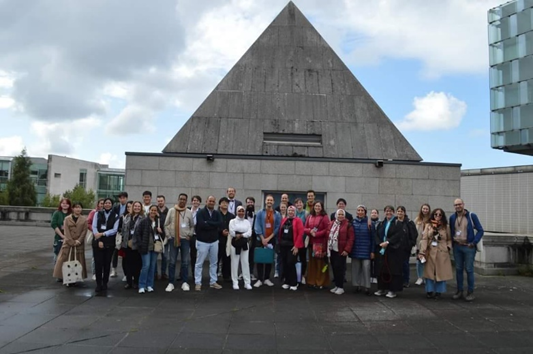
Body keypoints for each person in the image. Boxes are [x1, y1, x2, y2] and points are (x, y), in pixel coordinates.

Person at [374, 206, 416, 299]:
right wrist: (380, 243)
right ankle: (381, 288)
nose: (388, 213)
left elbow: (398, 235)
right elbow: (377, 234)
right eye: (386, 211)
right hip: (382, 250)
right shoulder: (381, 223)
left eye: (390, 211)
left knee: (393, 270)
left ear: (393, 212)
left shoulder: (397, 223)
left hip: (393, 250)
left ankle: (392, 290)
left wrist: (388, 242)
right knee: (381, 269)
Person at [449, 198, 484, 302]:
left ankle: (470, 291)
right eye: (455, 205)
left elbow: (480, 230)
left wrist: (474, 242)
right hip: (457, 246)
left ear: (463, 204)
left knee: (469, 269)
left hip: (468, 247)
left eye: (459, 204)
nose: (457, 206)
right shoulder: (452, 217)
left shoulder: (471, 216)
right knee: (458, 269)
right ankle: (459, 290)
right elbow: (451, 231)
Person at [419, 208, 453, 299]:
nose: (437, 216)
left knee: (441, 272)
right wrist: (422, 251)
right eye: (435, 214)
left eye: (440, 215)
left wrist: (448, 247)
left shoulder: (446, 226)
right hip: (430, 250)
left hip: (442, 251)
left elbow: (449, 239)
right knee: (429, 272)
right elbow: (424, 239)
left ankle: (439, 291)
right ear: (432, 215)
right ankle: (429, 290)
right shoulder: (428, 225)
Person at [164, 193, 194, 292]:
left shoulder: (189, 212)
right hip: (173, 239)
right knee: (172, 262)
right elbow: (166, 224)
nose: (182, 201)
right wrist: (168, 236)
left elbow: (192, 226)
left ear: (186, 201)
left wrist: (189, 235)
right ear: (178, 200)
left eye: (184, 199)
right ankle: (171, 283)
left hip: (185, 240)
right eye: (180, 199)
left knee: (185, 262)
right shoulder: (172, 211)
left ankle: (185, 282)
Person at [52, 202, 87, 285]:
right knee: (64, 259)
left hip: (79, 243)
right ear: (73, 209)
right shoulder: (67, 219)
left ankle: (76, 277)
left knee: (78, 260)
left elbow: (84, 231)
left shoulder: (84, 219)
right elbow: (66, 231)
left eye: (79, 207)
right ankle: (62, 276)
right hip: (68, 243)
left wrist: (79, 240)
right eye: (76, 207)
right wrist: (71, 241)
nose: (78, 209)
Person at [195, 195, 223, 291]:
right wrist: (213, 225)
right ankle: (198, 282)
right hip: (202, 241)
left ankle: (213, 282)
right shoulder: (200, 212)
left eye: (213, 201)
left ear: (215, 203)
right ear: (206, 201)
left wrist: (209, 223)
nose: (211, 202)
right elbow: (202, 224)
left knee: (214, 263)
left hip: (214, 241)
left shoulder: (217, 213)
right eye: (209, 201)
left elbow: (220, 223)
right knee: (199, 263)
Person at [92, 198, 120, 292]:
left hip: (109, 242)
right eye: (105, 203)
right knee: (98, 263)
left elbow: (114, 230)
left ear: (112, 204)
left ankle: (105, 283)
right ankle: (98, 283)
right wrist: (98, 237)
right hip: (97, 242)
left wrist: (103, 234)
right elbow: (94, 227)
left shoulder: (116, 216)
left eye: (109, 203)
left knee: (107, 264)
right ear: (103, 205)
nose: (107, 204)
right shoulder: (97, 214)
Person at [253, 194, 281, 287]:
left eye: (271, 200)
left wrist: (268, 239)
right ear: (265, 201)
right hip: (260, 239)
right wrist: (262, 239)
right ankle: (260, 279)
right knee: (260, 259)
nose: (269, 202)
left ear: (273, 202)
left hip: (271, 239)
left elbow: (277, 227)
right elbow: (257, 226)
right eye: (268, 200)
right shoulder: (260, 212)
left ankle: (266, 278)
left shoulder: (277, 214)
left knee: (269, 259)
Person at [136, 205, 163, 293]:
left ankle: (149, 285)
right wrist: (140, 244)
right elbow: (138, 233)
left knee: (152, 267)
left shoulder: (158, 221)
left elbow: (163, 235)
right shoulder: (144, 221)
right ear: (149, 211)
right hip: (146, 247)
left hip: (155, 247)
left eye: (155, 210)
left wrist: (160, 231)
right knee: (146, 266)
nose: (153, 212)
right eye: (152, 210)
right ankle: (142, 285)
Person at [304, 201, 330, 289]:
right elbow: (305, 228)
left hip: (320, 244)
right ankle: (312, 281)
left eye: (319, 206)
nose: (317, 208)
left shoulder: (325, 217)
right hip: (311, 243)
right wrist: (310, 231)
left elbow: (327, 229)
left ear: (322, 207)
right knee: (312, 263)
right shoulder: (310, 216)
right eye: (316, 206)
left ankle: (321, 282)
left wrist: (317, 234)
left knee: (320, 264)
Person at [328, 209, 354, 295]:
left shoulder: (348, 225)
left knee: (340, 269)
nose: (340, 216)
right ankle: (337, 285)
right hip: (332, 249)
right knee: (334, 268)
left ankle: (341, 287)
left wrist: (347, 250)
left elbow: (351, 238)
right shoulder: (332, 223)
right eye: (339, 214)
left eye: (342, 214)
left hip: (341, 250)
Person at [350, 205, 374, 295]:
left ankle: (367, 287)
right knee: (356, 269)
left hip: (366, 250)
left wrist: (372, 251)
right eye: (358, 210)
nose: (360, 212)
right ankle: (357, 285)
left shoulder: (370, 223)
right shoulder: (353, 222)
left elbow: (373, 238)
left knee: (366, 268)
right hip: (355, 249)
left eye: (362, 210)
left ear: (365, 212)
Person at [228, 205, 253, 290]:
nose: (241, 213)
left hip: (244, 244)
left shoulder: (247, 221)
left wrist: (241, 235)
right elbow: (232, 232)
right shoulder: (232, 221)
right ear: (236, 212)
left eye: (242, 211)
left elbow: (249, 232)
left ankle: (247, 282)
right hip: (235, 244)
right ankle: (235, 282)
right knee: (234, 263)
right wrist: (237, 234)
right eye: (239, 211)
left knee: (245, 263)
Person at [121, 201, 144, 289]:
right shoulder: (127, 217)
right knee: (128, 264)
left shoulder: (143, 218)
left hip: (137, 244)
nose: (137, 208)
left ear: (141, 208)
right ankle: (129, 281)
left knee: (137, 264)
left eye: (138, 206)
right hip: (127, 243)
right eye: (135, 206)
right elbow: (123, 229)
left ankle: (136, 281)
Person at [111, 192, 129, 279]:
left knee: (125, 252)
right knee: (115, 251)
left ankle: (126, 273)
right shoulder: (115, 207)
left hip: (126, 232)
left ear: (126, 198)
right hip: (117, 232)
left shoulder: (129, 207)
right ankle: (114, 269)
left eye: (124, 198)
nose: (122, 199)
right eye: (121, 198)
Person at [51, 198, 72, 266]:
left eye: (66, 203)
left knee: (68, 257)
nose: (65, 205)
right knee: (58, 255)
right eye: (63, 203)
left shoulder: (71, 214)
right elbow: (53, 224)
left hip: (70, 238)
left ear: (69, 205)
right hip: (59, 238)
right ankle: (57, 272)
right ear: (60, 204)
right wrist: (62, 235)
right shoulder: (57, 213)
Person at [217, 197, 235, 281]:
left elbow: (234, 226)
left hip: (228, 239)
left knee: (227, 257)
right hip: (218, 239)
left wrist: (229, 232)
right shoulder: (216, 214)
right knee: (216, 258)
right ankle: (215, 276)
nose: (225, 204)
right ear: (219, 204)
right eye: (223, 202)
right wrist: (221, 231)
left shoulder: (231, 216)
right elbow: (214, 225)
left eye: (226, 203)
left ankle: (226, 276)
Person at [414, 204, 431, 286]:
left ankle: (427, 277)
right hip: (419, 243)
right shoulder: (417, 219)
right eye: (423, 208)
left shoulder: (431, 219)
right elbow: (414, 231)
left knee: (428, 261)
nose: (425, 210)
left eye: (426, 209)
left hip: (429, 244)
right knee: (419, 261)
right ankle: (420, 277)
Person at [87, 198, 104, 280]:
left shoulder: (108, 213)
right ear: (98, 204)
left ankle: (102, 273)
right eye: (101, 203)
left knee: (104, 257)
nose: (103, 205)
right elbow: (88, 223)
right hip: (95, 236)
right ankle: (94, 273)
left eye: (104, 203)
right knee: (95, 256)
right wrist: (95, 231)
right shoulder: (94, 212)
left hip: (105, 236)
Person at [294, 198, 309, 284]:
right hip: (294, 240)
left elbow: (307, 225)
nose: (299, 204)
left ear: (303, 204)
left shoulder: (306, 213)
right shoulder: (294, 212)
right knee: (294, 258)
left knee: (303, 258)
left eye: (300, 202)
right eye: (297, 203)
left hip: (303, 239)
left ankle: (303, 275)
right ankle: (296, 275)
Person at [155, 195, 169, 281]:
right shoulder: (154, 210)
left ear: (164, 201)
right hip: (157, 237)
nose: (160, 202)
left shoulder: (168, 211)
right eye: (158, 201)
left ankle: (163, 273)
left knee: (165, 257)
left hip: (165, 237)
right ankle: (155, 273)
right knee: (155, 257)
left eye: (161, 201)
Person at [245, 197, 258, 281]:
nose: (250, 204)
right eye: (248, 202)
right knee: (243, 256)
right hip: (244, 237)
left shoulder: (256, 215)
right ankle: (243, 273)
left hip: (253, 238)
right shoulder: (242, 214)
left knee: (251, 256)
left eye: (251, 202)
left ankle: (251, 273)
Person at [189, 195, 202, 278]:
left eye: (197, 200)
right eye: (194, 200)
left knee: (195, 255)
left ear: (199, 203)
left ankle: (195, 273)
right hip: (187, 235)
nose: (195, 202)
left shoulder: (201, 212)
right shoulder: (187, 210)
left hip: (197, 235)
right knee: (185, 255)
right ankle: (181, 274)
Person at [369, 209, 380, 284]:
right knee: (369, 262)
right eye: (372, 213)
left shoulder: (380, 223)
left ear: (378, 214)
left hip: (377, 244)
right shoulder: (368, 223)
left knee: (376, 262)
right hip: (369, 244)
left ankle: (375, 276)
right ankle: (370, 276)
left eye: (375, 213)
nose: (374, 214)